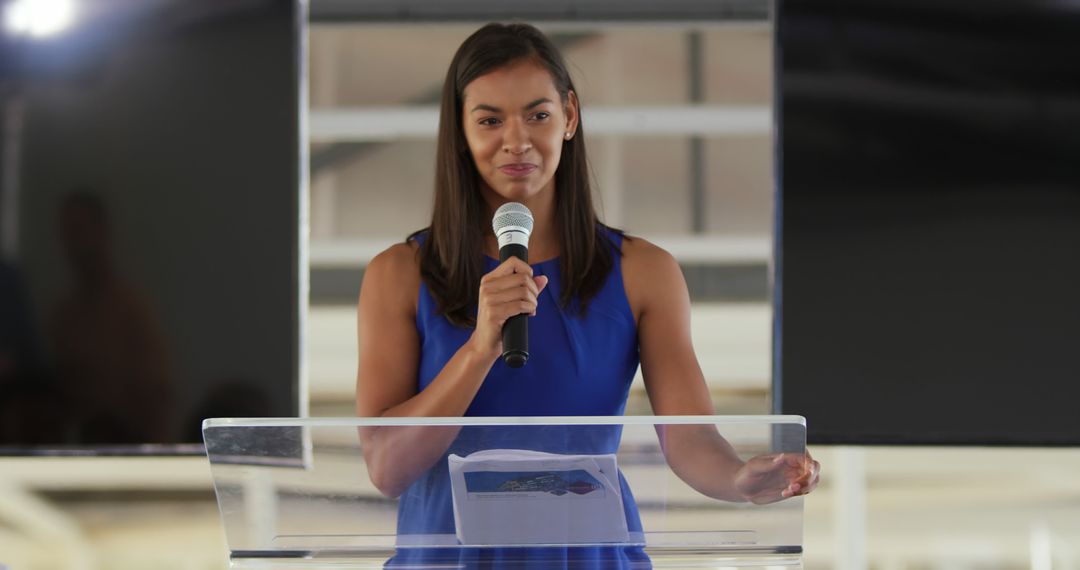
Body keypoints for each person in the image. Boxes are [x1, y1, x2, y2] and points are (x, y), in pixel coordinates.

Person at [355, 22, 820, 567]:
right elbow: (387, 468)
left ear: (569, 116)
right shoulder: (399, 274)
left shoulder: (643, 272)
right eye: (489, 120)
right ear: (460, 130)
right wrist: (480, 348)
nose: (517, 140)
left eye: (538, 115)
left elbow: (690, 438)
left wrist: (741, 480)